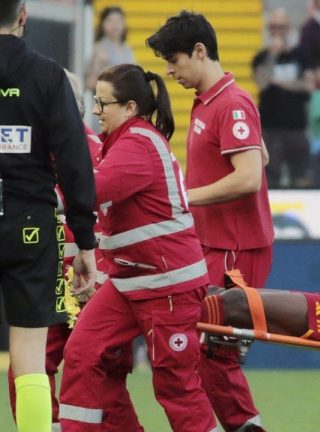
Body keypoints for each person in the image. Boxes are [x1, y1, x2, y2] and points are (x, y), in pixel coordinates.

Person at [56, 63, 216, 432]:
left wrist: (29, 196)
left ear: (129, 108)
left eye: (102, 103)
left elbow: (90, 192)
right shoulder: (122, 144)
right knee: (81, 354)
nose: (95, 111)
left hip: (166, 285)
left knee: (175, 384)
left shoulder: (138, 144)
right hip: (131, 280)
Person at [146, 11, 273, 431]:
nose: (169, 71)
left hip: (235, 251)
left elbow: (250, 176)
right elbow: (261, 157)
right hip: (213, 246)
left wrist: (182, 197)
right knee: (201, 351)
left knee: (212, 352)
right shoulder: (210, 102)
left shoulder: (232, 103)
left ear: (199, 51)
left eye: (174, 60)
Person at [6, 69, 140, 432]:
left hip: (90, 281)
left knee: (102, 377)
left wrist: (104, 272)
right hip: (49, 282)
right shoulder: (31, 152)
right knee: (31, 368)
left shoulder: (99, 152)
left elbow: (115, 219)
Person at [0, 2, 97, 430]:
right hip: (30, 224)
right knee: (30, 358)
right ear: (22, 15)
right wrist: (86, 239)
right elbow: (76, 162)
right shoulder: (49, 76)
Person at [252, 7, 313, 188]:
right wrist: (272, 56)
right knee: (270, 177)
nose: (277, 31)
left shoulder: (301, 55)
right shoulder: (262, 57)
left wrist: (279, 82)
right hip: (270, 127)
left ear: (288, 28)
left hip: (296, 126)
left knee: (301, 176)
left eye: (281, 26)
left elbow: (309, 86)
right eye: (274, 27)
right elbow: (261, 83)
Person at [85, 6, 135, 92]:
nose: (115, 24)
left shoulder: (127, 49)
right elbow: (90, 83)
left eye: (119, 20)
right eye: (110, 20)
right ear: (102, 25)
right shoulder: (100, 49)